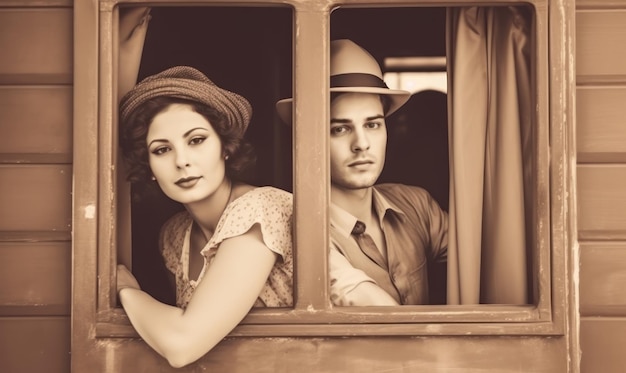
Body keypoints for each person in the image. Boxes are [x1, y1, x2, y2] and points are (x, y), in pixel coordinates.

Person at [117, 66, 293, 368]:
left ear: (225, 147)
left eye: (196, 140)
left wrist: (125, 289)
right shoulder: (173, 234)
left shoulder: (261, 207)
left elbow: (182, 344)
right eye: (161, 150)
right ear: (149, 167)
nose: (182, 161)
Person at [276, 39, 447, 306]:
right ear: (309, 138)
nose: (361, 144)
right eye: (340, 129)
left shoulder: (417, 204)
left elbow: (485, 267)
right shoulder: (298, 231)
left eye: (373, 124)